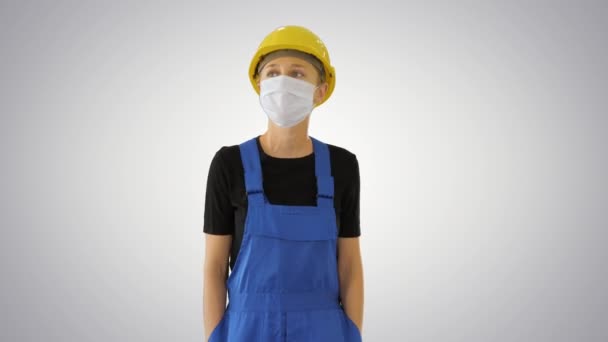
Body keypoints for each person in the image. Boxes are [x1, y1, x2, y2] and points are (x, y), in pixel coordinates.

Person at [203, 25, 364, 341]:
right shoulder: (229, 164)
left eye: (297, 74)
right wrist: (215, 336)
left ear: (321, 89)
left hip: (324, 329)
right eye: (272, 72)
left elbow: (350, 266)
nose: (282, 82)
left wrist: (353, 333)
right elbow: (214, 266)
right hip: (247, 328)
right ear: (259, 84)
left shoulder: (342, 166)